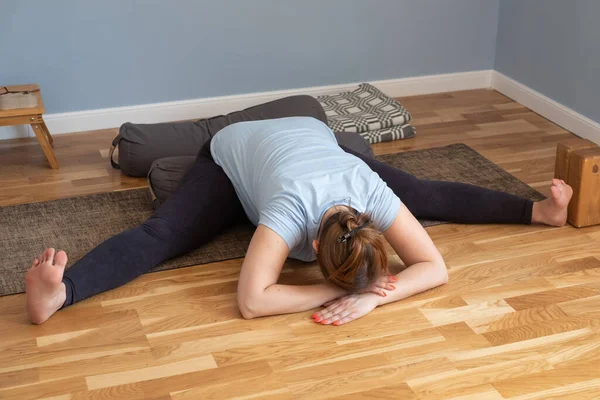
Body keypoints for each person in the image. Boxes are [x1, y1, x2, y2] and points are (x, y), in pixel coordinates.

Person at [25, 116, 572, 325]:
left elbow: (436, 266)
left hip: (318, 135)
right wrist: (331, 297)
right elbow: (252, 299)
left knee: (424, 192)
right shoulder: (288, 211)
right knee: (165, 233)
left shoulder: (371, 193)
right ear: (311, 242)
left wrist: (370, 295)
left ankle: (540, 214)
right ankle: (60, 294)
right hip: (232, 151)